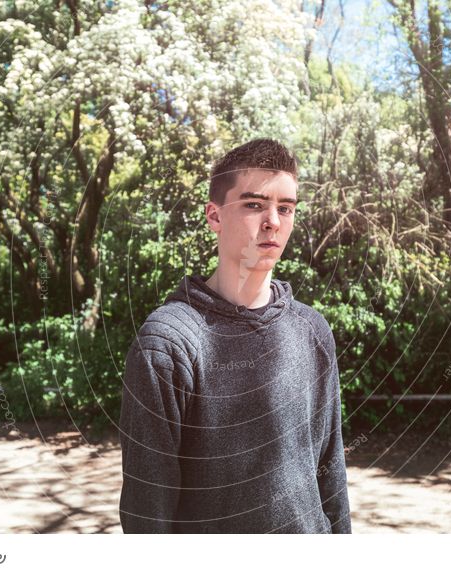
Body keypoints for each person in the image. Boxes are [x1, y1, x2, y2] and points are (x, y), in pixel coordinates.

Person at [118, 138, 351, 533]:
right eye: (254, 204)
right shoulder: (168, 342)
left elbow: (331, 471)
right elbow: (147, 513)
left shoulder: (312, 330)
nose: (273, 221)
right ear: (214, 216)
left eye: (286, 208)